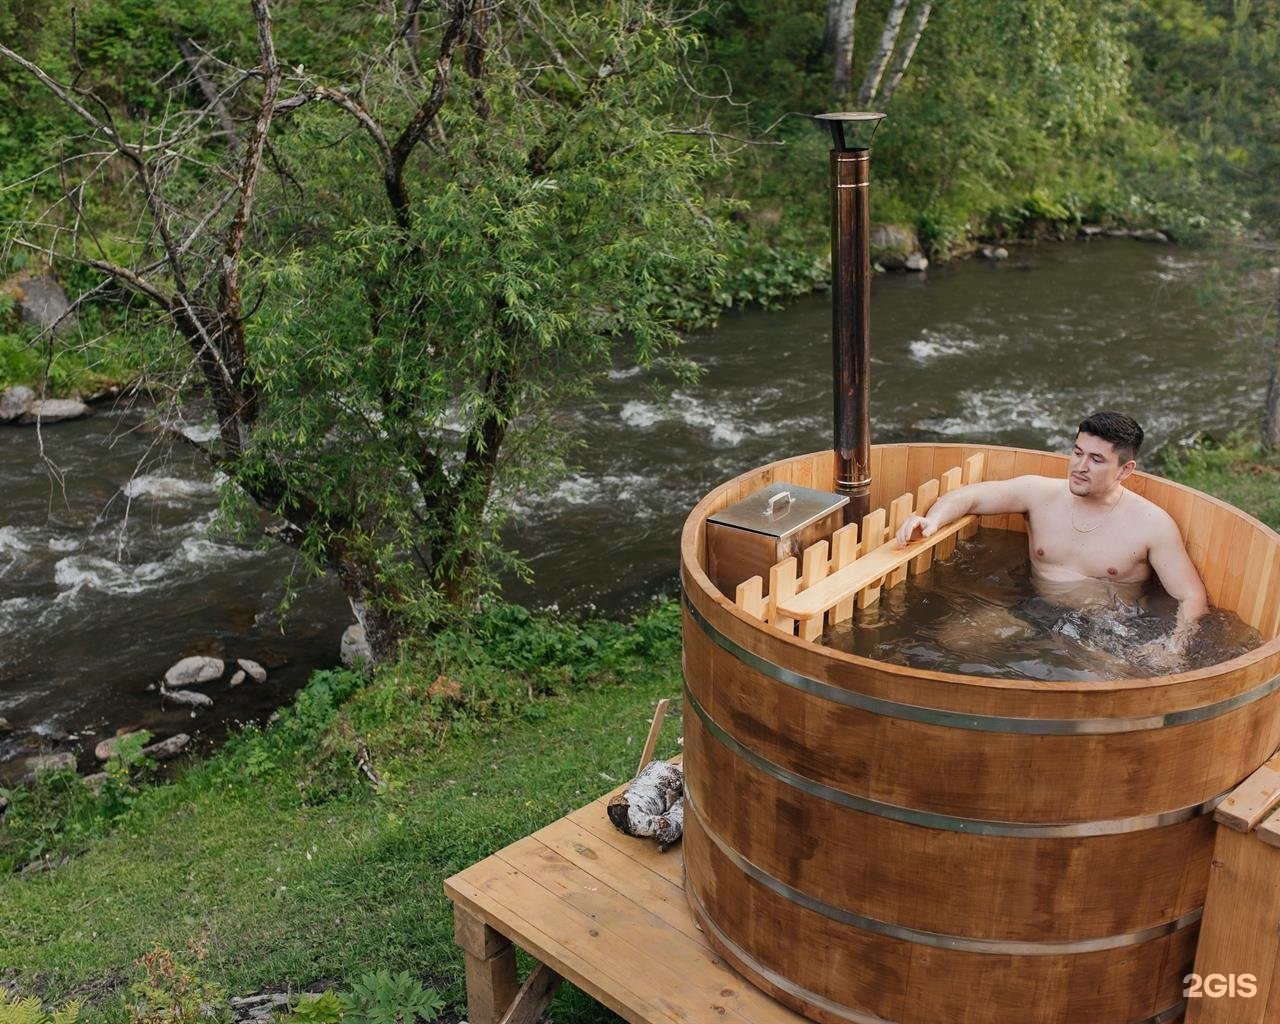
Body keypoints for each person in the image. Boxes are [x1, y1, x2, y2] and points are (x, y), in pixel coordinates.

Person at [895, 411, 1208, 650]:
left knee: (1107, 689)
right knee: (952, 640)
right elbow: (971, 496)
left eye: (1096, 459)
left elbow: (1191, 596)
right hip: (1036, 609)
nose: (1080, 466)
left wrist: (1173, 648)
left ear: (1125, 470)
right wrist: (932, 522)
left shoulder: (1152, 524)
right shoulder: (1040, 494)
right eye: (1077, 452)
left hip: (1107, 630)